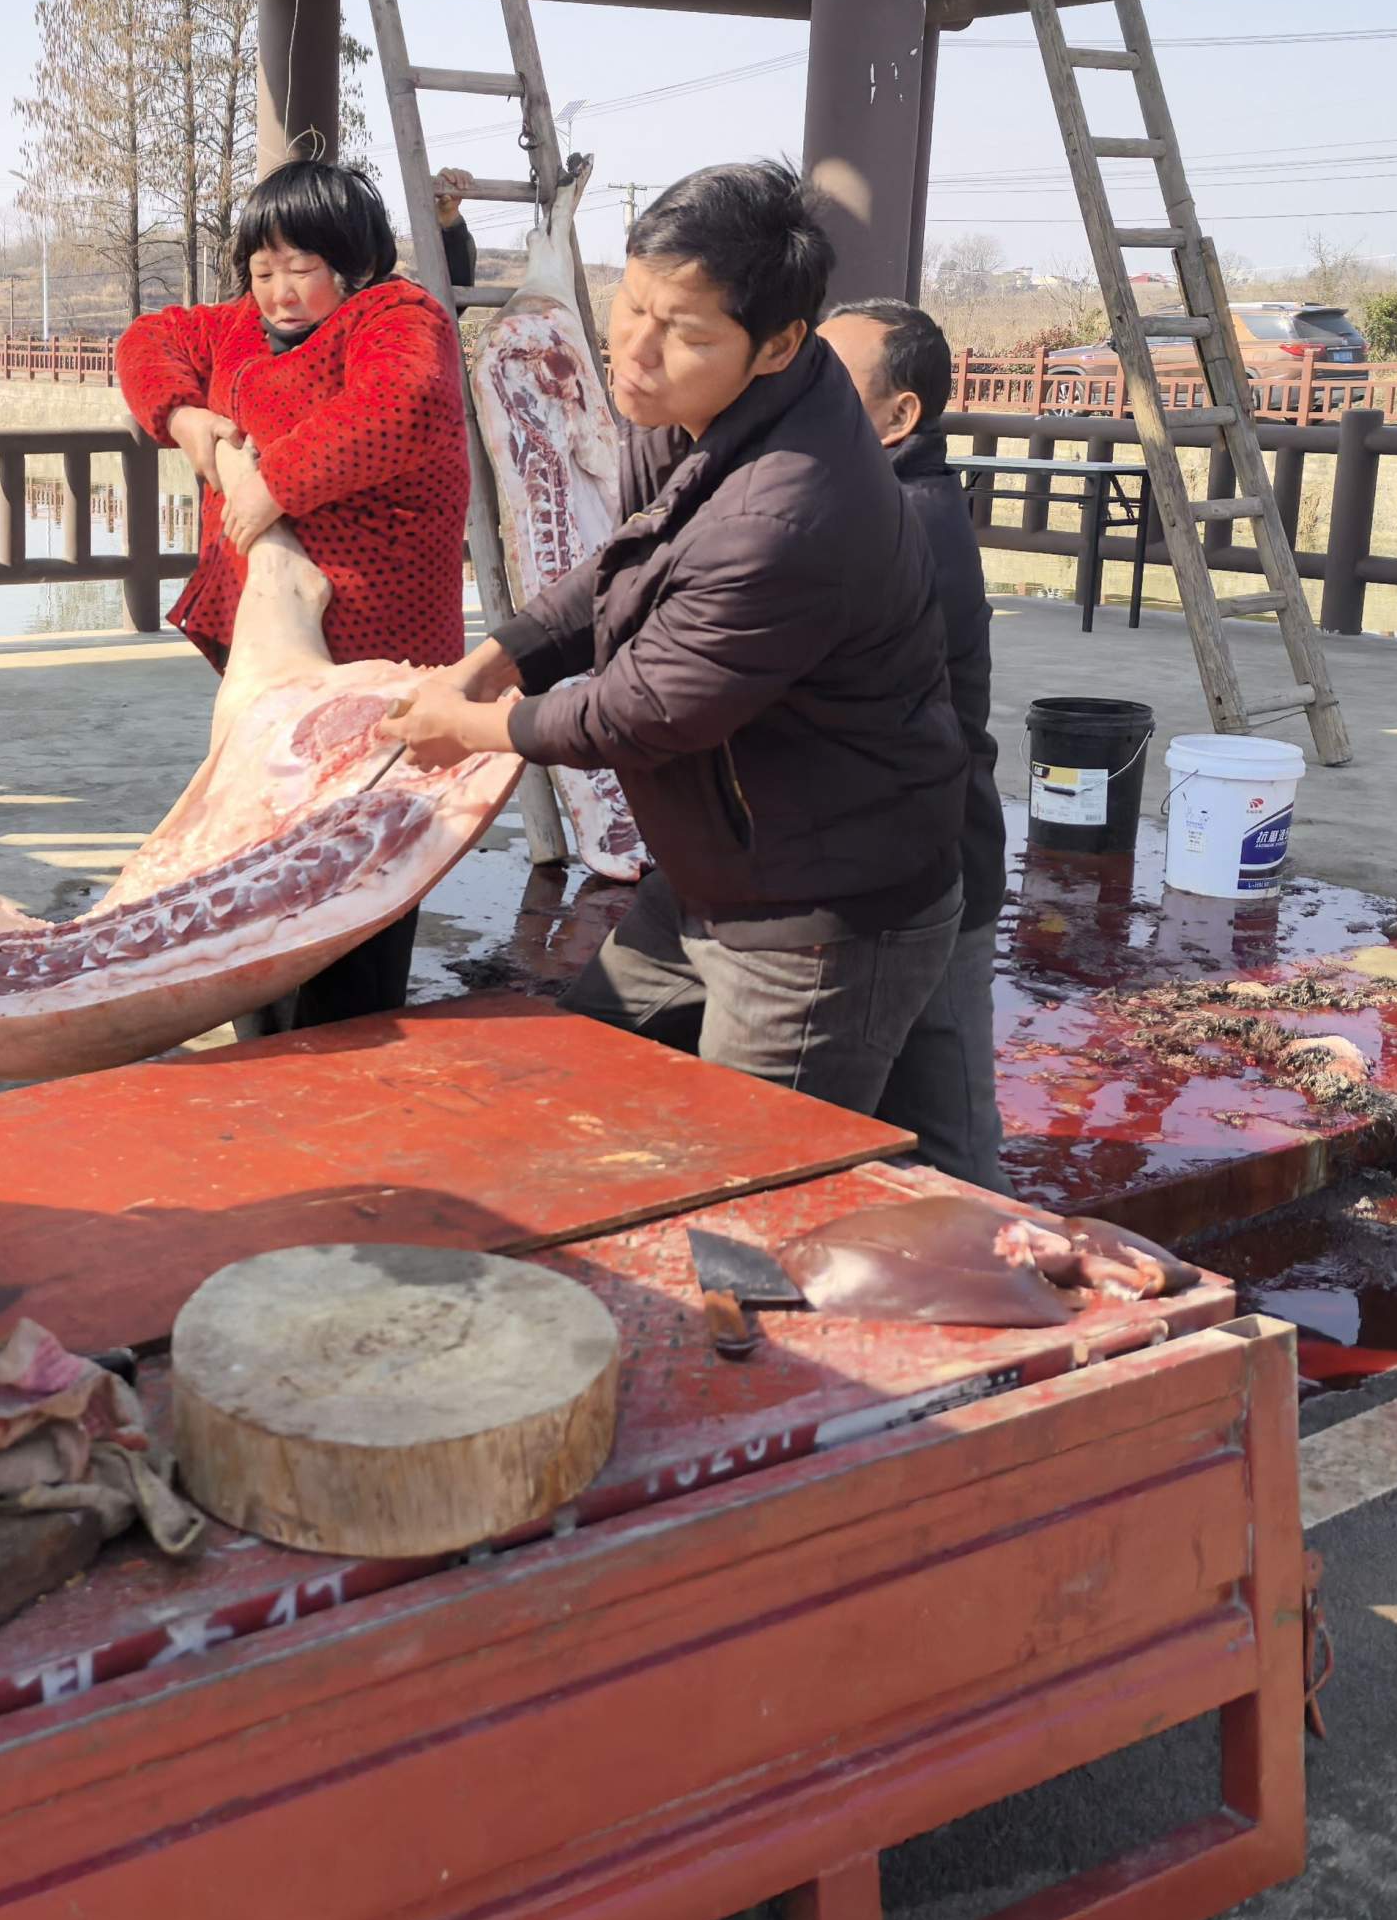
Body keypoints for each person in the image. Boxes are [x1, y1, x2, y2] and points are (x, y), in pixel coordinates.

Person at [382, 162, 968, 1116]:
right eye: (631, 305)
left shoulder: (787, 515)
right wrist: (495, 658)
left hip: (815, 915)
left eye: (685, 333)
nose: (635, 351)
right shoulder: (697, 405)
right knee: (590, 1095)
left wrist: (476, 728)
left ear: (779, 345)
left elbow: (643, 711)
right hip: (714, 872)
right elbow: (630, 562)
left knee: (756, 1170)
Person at [114, 158, 470, 1028]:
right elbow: (147, 340)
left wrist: (275, 484)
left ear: (353, 262)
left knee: (362, 849)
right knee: (263, 833)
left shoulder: (397, 316)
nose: (277, 291)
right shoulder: (237, 326)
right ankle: (264, 1026)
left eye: (300, 267)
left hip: (375, 650)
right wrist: (183, 417)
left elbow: (403, 403)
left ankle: (348, 1035)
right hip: (267, 648)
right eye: (262, 269)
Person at [818, 298, 1009, 1190]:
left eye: (830, 378)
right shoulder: (865, 499)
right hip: (886, 861)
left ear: (900, 416)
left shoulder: (908, 522)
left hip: (940, 859)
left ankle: (1013, 1270)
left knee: (952, 1137)